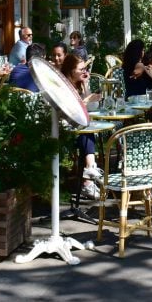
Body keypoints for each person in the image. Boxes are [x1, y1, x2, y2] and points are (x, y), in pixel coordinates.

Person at [60, 54, 103, 199]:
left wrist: (86, 86)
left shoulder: (80, 83)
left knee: (86, 131)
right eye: (81, 69)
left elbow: (91, 107)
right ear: (71, 71)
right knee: (86, 132)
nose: (85, 72)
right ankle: (89, 177)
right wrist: (86, 100)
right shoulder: (64, 86)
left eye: (85, 68)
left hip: (78, 126)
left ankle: (89, 174)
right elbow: (70, 112)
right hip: (63, 128)